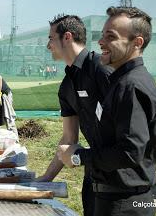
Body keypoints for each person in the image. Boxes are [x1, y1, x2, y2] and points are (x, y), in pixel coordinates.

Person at [59, 7, 156, 216]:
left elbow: (129, 152)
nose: (101, 42)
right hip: (110, 197)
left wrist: (79, 157)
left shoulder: (132, 85)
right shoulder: (120, 81)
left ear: (137, 42)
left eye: (111, 37)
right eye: (102, 35)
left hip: (124, 203)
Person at [35, 15, 110, 216]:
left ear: (67, 37)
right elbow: (69, 139)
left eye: (51, 38)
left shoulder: (101, 69)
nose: (48, 45)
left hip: (120, 179)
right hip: (93, 174)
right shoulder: (67, 86)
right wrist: (46, 178)